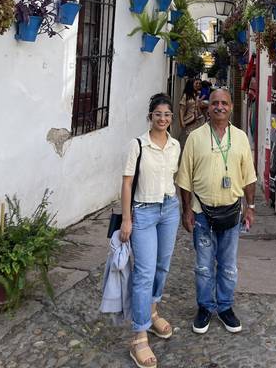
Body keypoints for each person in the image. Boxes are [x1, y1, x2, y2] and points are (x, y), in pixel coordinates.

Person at [175, 88, 257, 335]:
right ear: (207, 107)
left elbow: (249, 176)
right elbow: (184, 177)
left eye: (224, 103)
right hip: (202, 213)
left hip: (231, 213)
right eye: (214, 103)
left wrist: (250, 207)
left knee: (228, 266)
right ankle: (204, 307)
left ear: (231, 107)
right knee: (203, 265)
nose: (219, 107)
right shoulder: (195, 137)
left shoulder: (241, 137)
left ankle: (225, 307)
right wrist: (186, 210)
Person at [120, 93, 181, 368]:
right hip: (143, 212)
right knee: (143, 272)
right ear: (150, 116)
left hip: (169, 209)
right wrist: (126, 219)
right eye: (158, 114)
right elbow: (126, 183)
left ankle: (153, 312)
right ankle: (139, 336)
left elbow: (174, 179)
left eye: (167, 114)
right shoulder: (137, 145)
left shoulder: (175, 145)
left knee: (162, 267)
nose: (163, 119)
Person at [178, 79, 204, 149]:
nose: (198, 85)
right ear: (191, 85)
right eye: (196, 83)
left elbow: (199, 107)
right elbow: (181, 109)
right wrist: (182, 122)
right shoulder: (186, 95)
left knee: (195, 141)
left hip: (198, 121)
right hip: (189, 121)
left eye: (199, 84)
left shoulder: (197, 94)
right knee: (187, 140)